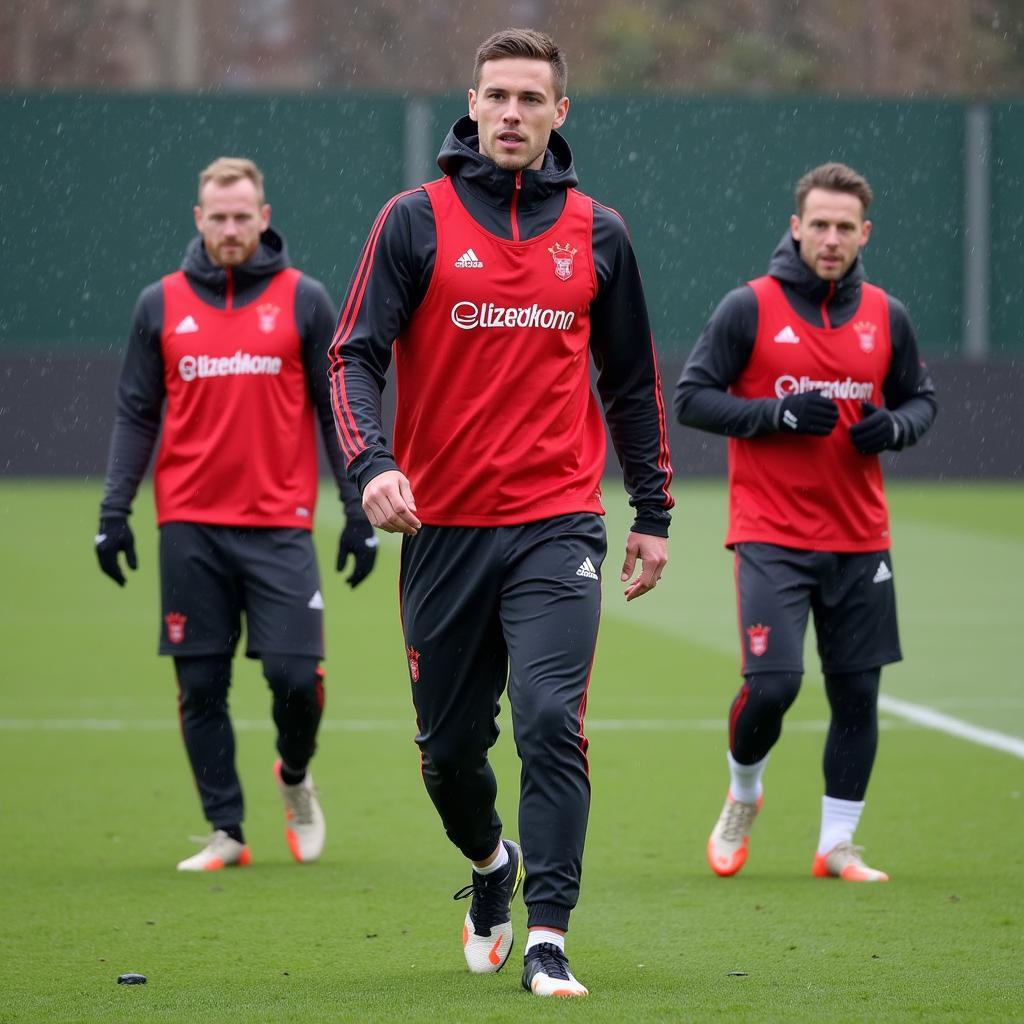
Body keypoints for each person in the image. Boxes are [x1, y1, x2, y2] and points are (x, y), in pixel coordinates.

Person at [328, 28, 673, 997]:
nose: (513, 113)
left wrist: (652, 510)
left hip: (557, 522)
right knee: (446, 755)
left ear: (561, 112)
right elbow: (353, 352)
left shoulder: (598, 232)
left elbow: (633, 383)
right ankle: (491, 865)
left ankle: (548, 936)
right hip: (440, 532)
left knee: (550, 717)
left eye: (532, 97)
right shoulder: (413, 220)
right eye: (498, 97)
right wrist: (370, 467)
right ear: (471, 107)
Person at [95, 157, 377, 872]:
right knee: (200, 684)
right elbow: (135, 414)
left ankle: (293, 774)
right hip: (188, 525)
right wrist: (114, 511)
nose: (229, 229)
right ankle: (227, 829)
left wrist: (356, 510)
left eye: (241, 216)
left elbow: (335, 408)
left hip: (280, 526)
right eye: (216, 217)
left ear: (264, 216)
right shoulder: (158, 304)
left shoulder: (304, 300)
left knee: (294, 677)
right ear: (198, 219)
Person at [675, 162, 937, 883]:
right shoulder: (750, 308)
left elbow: (922, 401)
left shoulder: (888, 315)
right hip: (770, 534)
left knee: (857, 694)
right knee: (775, 686)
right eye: (818, 224)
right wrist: (774, 414)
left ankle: (836, 844)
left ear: (864, 234)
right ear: (795, 227)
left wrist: (896, 428)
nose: (830, 238)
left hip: (861, 539)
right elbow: (692, 398)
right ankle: (744, 795)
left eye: (844, 228)